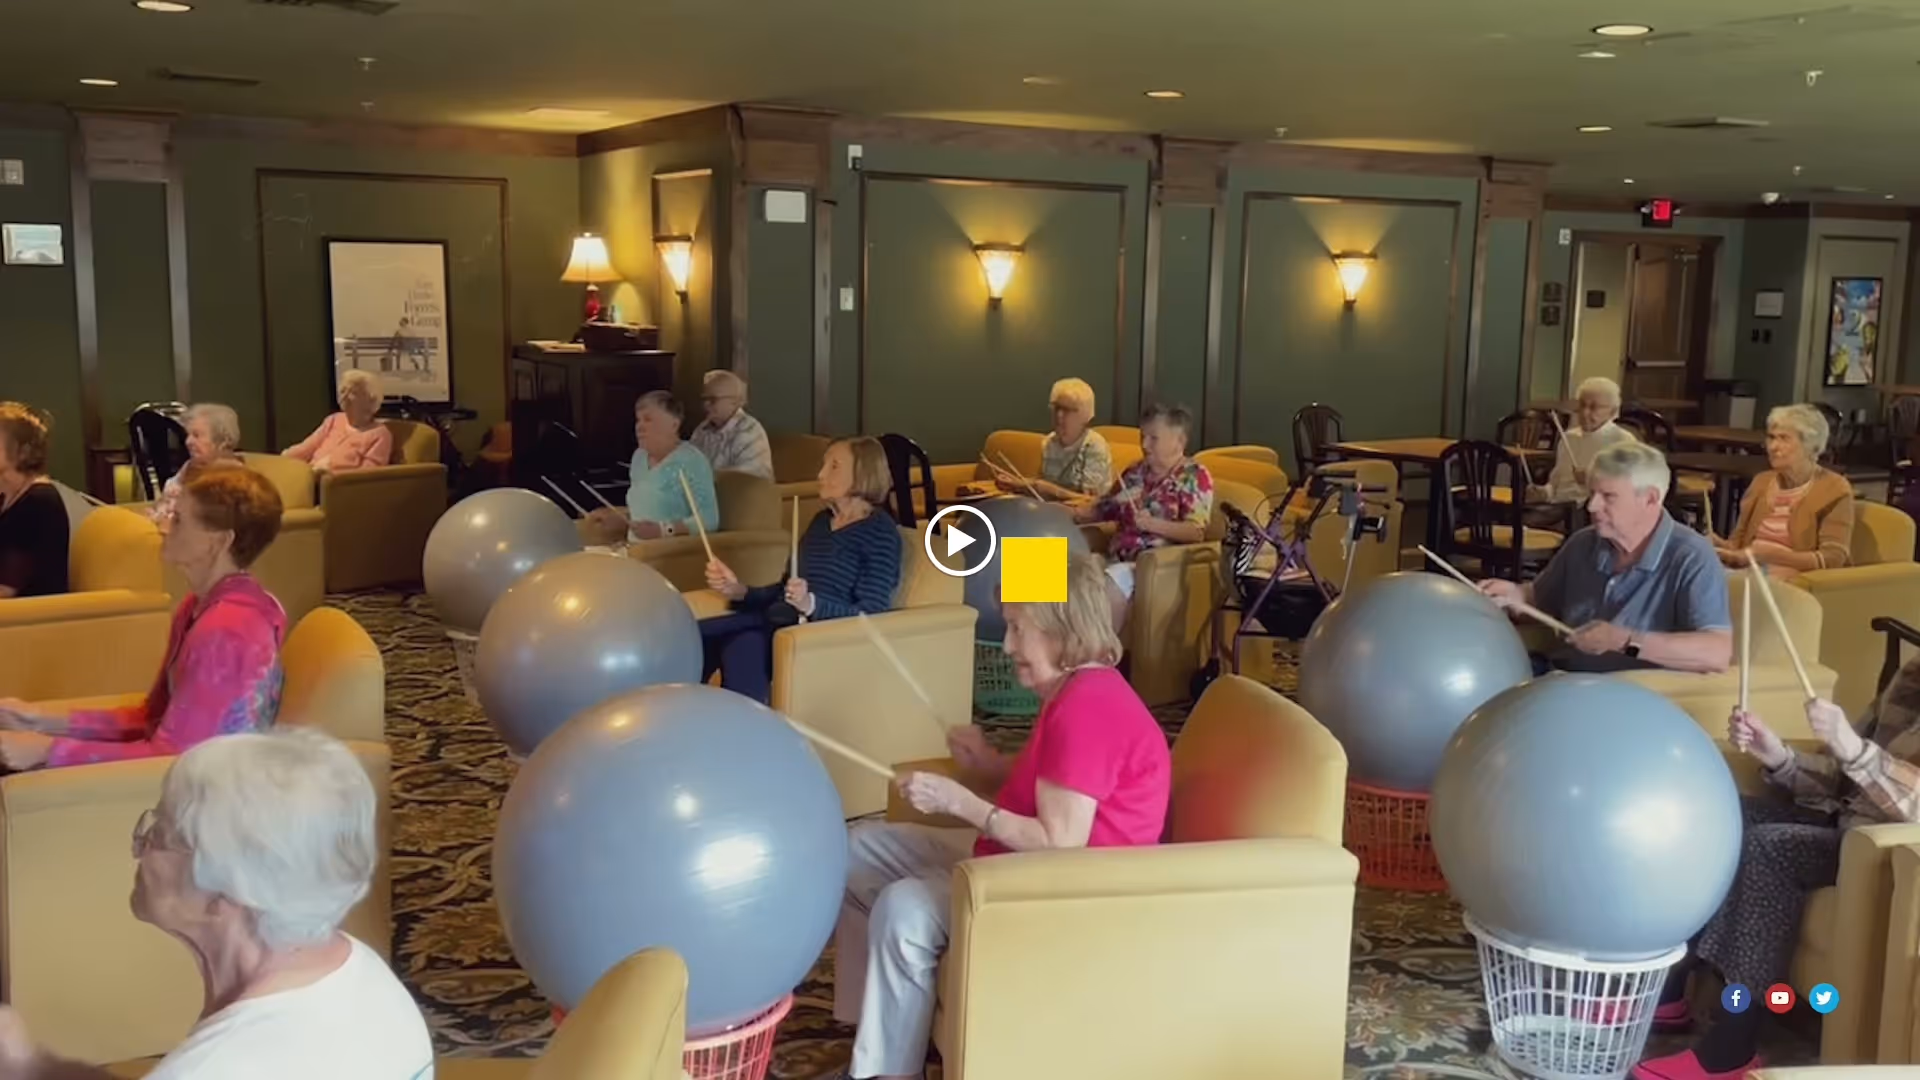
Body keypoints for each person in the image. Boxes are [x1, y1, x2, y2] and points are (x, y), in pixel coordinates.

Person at [831, 551, 1171, 1080]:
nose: (1008, 645)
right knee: (854, 852)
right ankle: (868, 1028)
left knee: (904, 910)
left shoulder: (1088, 707)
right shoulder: (1073, 691)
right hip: (1011, 863)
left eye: (1018, 629)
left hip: (1057, 894)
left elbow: (1060, 843)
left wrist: (957, 800)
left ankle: (887, 1069)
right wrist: (985, 767)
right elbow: (1051, 790)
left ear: (1061, 631)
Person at [0, 728, 434, 1079]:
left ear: (226, 893)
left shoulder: (218, 1066)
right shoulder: (359, 971)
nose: (139, 847)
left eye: (161, 835)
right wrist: (33, 1067)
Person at [1631, 663, 1920, 1080]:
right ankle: (1670, 992)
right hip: (1839, 821)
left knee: (1769, 848)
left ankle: (1731, 1048)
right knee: (1723, 816)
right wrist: (1779, 756)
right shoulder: (1910, 676)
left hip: (1879, 850)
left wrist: (1855, 749)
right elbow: (1844, 780)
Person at [0, 465, 286, 769]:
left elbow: (177, 759)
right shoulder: (197, 606)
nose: (162, 525)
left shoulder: (229, 631)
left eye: (178, 520)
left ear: (219, 541)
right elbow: (151, 718)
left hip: (207, 798)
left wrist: (48, 750)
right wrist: (37, 719)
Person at [1479, 442, 1732, 674]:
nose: (1591, 506)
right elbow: (1541, 599)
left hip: (1631, 699)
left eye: (1608, 496)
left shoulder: (1691, 556)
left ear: (1650, 498)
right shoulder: (1583, 542)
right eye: (1592, 494)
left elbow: (1716, 652)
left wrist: (1623, 641)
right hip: (1562, 679)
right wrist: (1514, 595)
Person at [701, 436, 899, 704]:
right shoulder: (820, 523)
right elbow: (784, 590)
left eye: (834, 466)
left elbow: (873, 614)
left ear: (863, 473)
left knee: (735, 641)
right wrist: (739, 590)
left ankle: (739, 734)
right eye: (823, 464)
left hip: (821, 637)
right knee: (708, 637)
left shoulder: (880, 533)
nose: (820, 474)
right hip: (779, 623)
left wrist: (811, 604)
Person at [1071, 402, 1213, 629]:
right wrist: (1068, 514)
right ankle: (1018, 647)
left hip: (1153, 567)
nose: (1144, 445)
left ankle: (1098, 659)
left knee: (1110, 578)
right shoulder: (1135, 471)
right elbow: (1103, 510)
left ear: (1179, 441)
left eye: (1153, 438)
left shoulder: (1193, 476)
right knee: (1036, 561)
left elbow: (1195, 532)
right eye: (1142, 436)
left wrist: (1152, 524)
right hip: (1116, 556)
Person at [1714, 403, 1854, 580]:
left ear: (1811, 446)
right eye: (1771, 438)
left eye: (1784, 439)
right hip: (1750, 572)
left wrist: (1769, 555)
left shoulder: (1834, 488)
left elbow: (1833, 559)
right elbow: (1738, 546)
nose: (1773, 446)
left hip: (1796, 583)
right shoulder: (1761, 482)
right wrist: (1719, 546)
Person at [584, 390, 719, 545]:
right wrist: (617, 516)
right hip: (633, 549)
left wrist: (663, 530)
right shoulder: (639, 457)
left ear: (674, 424)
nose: (639, 426)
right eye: (638, 420)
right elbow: (646, 511)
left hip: (669, 554)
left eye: (648, 419)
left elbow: (709, 520)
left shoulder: (692, 461)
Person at [987, 376, 1113, 501]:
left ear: (1084, 416)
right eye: (1056, 408)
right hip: (1052, 511)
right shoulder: (1050, 442)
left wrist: (1045, 488)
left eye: (1066, 410)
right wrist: (1017, 483)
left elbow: (1089, 501)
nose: (1059, 415)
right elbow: (1043, 486)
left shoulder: (1094, 446)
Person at [1528, 376, 1636, 520]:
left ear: (1613, 411)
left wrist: (1591, 479)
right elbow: (1556, 484)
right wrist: (1543, 492)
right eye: (1582, 406)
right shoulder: (1569, 437)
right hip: (1557, 507)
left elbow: (1628, 489)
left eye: (1594, 407)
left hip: (1588, 512)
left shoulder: (1622, 441)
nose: (1585, 413)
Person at [0, 402, 67, 599]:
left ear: (23, 451)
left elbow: (6, 590)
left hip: (30, 620)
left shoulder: (40, 502)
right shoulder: (7, 496)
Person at [283, 369, 392, 474]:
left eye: (353, 392)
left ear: (370, 399)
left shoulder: (380, 435)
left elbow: (368, 475)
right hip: (309, 476)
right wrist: (284, 458)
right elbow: (307, 447)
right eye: (343, 390)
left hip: (338, 487)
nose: (344, 397)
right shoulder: (334, 420)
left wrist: (331, 466)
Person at [152, 402, 244, 524]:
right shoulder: (191, 466)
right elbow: (166, 496)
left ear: (222, 440)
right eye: (188, 435)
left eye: (196, 435)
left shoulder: (234, 474)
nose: (188, 442)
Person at [690, 369, 774, 481]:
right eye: (704, 399)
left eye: (712, 399)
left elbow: (748, 480)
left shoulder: (749, 430)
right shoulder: (702, 429)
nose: (706, 405)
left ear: (735, 401)